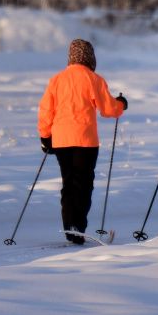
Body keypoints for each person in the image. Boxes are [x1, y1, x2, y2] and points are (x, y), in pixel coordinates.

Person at [38, 38, 127, 244]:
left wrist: (45, 137)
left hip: (61, 141)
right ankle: (78, 226)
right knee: (83, 184)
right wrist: (121, 104)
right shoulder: (93, 79)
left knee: (68, 184)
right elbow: (108, 109)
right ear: (90, 57)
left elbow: (45, 111)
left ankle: (70, 228)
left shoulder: (56, 80)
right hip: (86, 142)